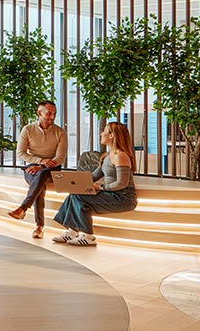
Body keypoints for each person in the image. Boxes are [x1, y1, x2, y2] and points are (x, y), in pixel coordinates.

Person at [52, 121, 137, 247]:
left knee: (79, 198)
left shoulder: (121, 156)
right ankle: (72, 231)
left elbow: (122, 183)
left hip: (123, 198)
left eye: (105, 131)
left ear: (112, 136)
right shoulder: (107, 156)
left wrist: (101, 187)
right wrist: (73, 182)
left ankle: (88, 236)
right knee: (74, 195)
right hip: (111, 194)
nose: (101, 133)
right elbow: (94, 176)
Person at [9, 100, 67, 239]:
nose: (52, 117)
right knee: (39, 182)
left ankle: (24, 209)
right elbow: (21, 153)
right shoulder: (28, 130)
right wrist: (40, 162)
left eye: (54, 114)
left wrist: (41, 166)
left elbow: (60, 158)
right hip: (32, 168)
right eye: (48, 113)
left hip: (53, 169)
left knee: (41, 174)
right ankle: (39, 226)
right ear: (39, 113)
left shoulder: (60, 132)